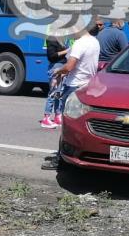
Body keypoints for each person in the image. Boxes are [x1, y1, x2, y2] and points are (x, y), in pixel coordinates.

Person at [42, 23, 101, 170]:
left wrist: (58, 73)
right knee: (83, 124)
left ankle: (61, 158)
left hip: (74, 85)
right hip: (88, 84)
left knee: (68, 125)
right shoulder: (95, 42)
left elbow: (69, 67)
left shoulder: (80, 44)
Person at [40, 32, 70, 129]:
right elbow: (51, 56)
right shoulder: (51, 39)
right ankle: (46, 118)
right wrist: (66, 51)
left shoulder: (62, 40)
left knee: (59, 94)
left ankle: (57, 116)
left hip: (62, 67)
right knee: (53, 93)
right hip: (55, 68)